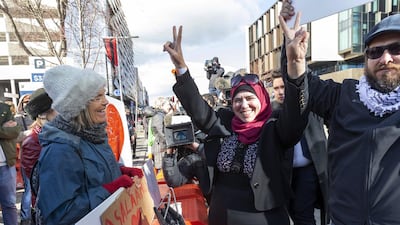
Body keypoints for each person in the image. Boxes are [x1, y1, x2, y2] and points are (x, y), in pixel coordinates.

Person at [163, 26, 308, 225]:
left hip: (266, 219)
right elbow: (197, 109)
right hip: (221, 216)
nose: (244, 105)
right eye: (238, 100)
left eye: (250, 98)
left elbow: (296, 114)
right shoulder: (224, 123)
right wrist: (181, 68)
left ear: (263, 99)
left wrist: (296, 66)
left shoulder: (276, 127)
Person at [280, 2, 400, 224]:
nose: (386, 58)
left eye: (396, 49)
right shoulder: (344, 96)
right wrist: (293, 58)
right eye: (375, 52)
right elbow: (303, 84)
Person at [35, 65, 143, 225]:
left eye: (104, 95)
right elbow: (60, 215)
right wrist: (108, 190)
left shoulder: (93, 135)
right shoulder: (60, 149)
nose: (106, 102)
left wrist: (119, 171)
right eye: (97, 97)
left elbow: (90, 175)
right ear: (78, 106)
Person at [271, 70, 328, 225]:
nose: (280, 92)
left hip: (309, 170)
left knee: (303, 213)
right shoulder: (271, 113)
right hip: (285, 174)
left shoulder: (311, 106)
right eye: (276, 88)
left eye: (283, 87)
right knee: (293, 213)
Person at [19, 88, 57, 225]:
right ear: (42, 115)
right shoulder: (33, 142)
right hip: (50, 210)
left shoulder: (53, 135)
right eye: (56, 109)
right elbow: (40, 183)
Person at [0, 102, 21, 225]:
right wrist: (3, 128)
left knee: (9, 204)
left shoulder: (4, 108)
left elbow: (15, 130)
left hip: (6, 165)